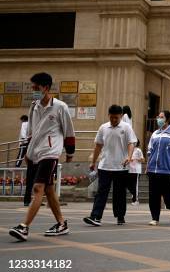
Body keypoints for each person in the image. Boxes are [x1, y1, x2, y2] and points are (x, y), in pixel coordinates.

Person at [9, 73, 75, 242]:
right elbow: (32, 132)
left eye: (36, 88)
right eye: (32, 88)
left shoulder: (60, 107)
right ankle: (61, 224)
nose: (33, 91)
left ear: (46, 88)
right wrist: (27, 153)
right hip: (35, 153)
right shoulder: (34, 106)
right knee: (48, 190)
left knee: (38, 188)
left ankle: (24, 227)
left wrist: (70, 152)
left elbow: (68, 131)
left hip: (51, 152)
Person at [84, 105, 137, 226]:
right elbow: (98, 145)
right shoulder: (103, 127)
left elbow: (131, 143)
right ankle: (95, 216)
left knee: (119, 193)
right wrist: (93, 162)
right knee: (101, 192)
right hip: (105, 165)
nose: (114, 120)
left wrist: (129, 157)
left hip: (121, 166)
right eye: (112, 117)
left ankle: (120, 216)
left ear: (121, 116)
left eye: (116, 118)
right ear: (109, 115)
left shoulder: (126, 127)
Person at [16, 115, 33, 206]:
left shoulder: (24, 124)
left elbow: (23, 133)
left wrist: (23, 139)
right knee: (25, 155)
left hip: (24, 142)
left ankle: (17, 165)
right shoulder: (30, 124)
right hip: (28, 142)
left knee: (21, 154)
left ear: (23, 119)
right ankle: (28, 200)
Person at [127, 140, 145, 205]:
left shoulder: (138, 150)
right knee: (127, 184)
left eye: (134, 142)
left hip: (136, 170)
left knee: (135, 186)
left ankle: (135, 200)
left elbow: (143, 160)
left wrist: (135, 159)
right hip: (129, 170)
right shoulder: (128, 149)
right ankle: (134, 194)